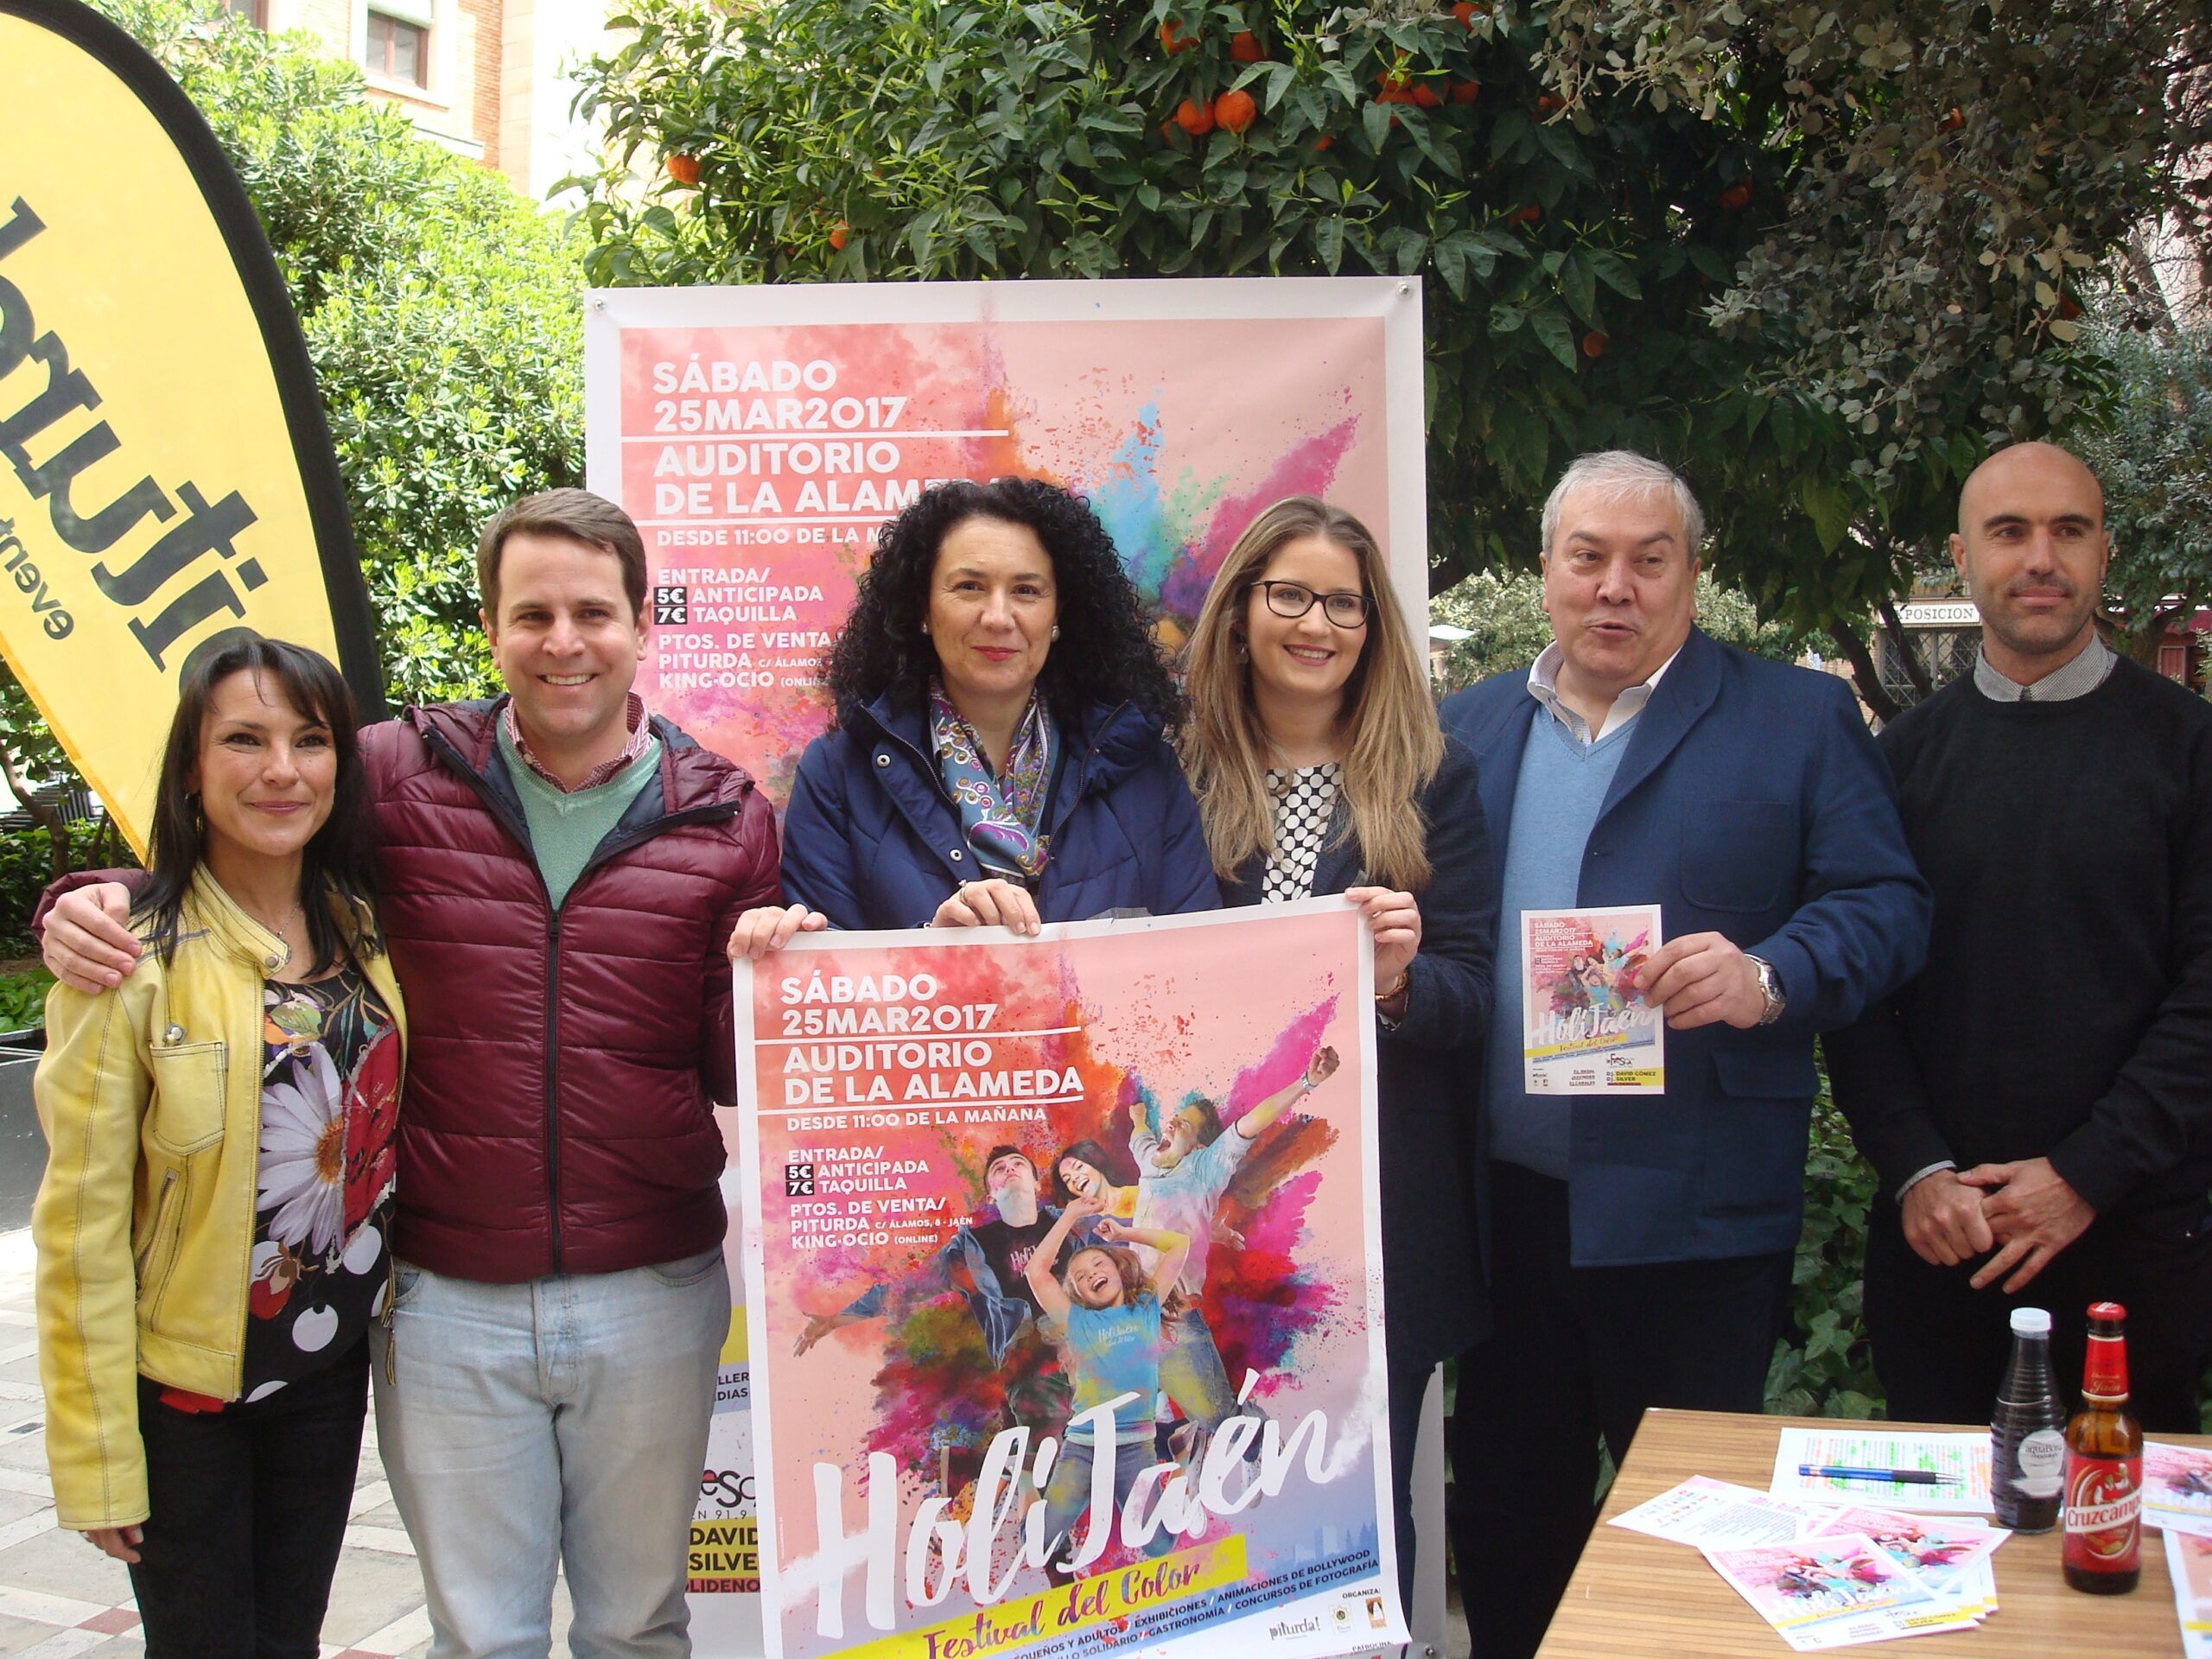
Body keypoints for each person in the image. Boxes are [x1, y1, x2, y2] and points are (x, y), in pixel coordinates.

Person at [38, 489, 781, 1658]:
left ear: (644, 625)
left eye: (594, 610)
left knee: (640, 1626)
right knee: (480, 1637)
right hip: (441, 1299)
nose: (564, 640)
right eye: (531, 612)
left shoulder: (727, 815)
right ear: (489, 627)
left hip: (654, 1288)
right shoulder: (393, 771)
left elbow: (729, 1064)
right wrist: (79, 903)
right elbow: (237, 859)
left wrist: (792, 983)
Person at [1438, 451, 1929, 1659]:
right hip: (1508, 1215)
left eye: (1649, 561)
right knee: (1507, 1528)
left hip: (1697, 1213)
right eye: (1588, 558)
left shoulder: (1796, 716)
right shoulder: (1467, 724)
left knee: (1694, 1546)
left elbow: (1888, 905)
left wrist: (1770, 976)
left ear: (1691, 576)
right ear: (1545, 571)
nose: (1617, 587)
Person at [1827, 441, 2212, 1432]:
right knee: (1938, 1566)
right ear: (1960, 556)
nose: (2040, 558)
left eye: (2067, 531)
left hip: (2135, 1239)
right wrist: (1913, 1167)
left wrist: (2085, 1172)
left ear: (2104, 553)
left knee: (2114, 1562)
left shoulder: (2191, 749)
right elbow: (1857, 989)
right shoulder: (1897, 761)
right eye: (2009, 531)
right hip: (1937, 1243)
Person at [34, 638, 404, 1658]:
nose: (281, 769)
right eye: (243, 739)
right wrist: (99, 1453)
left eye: (309, 740)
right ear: (191, 769)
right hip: (188, 1398)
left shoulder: (363, 928)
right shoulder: (126, 963)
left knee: (288, 1641)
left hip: (323, 1380)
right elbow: (78, 1230)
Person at [1179, 494, 1496, 1609]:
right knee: (1201, 1509)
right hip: (1206, 1220)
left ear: (1374, 629)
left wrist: (1403, 982)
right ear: (1240, 613)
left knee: (1356, 1515)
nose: (1317, 624)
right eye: (1291, 596)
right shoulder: (1169, 774)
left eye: (1345, 606)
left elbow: (1478, 994)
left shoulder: (1430, 778)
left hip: (1372, 1216)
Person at [726, 476, 1217, 956]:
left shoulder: (1142, 765)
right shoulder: (838, 774)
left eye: (1027, 590)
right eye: (969, 587)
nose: (999, 617)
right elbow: (828, 989)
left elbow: (1197, 969)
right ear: (922, 608)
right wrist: (934, 948)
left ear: (1060, 613)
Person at [1021, 1194, 1190, 1573]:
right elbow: (1037, 1273)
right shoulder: (1077, 1322)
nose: (1090, 1273)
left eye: (1099, 1264)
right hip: (1084, 1449)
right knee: (1037, 1548)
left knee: (1159, 1546)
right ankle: (1026, 1484)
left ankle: (1181, 1466)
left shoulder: (1145, 1308)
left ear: (1118, 1269)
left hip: (1135, 1450)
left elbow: (1179, 1245)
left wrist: (1123, 1231)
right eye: (1079, 1277)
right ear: (1077, 1295)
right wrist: (1069, 1215)